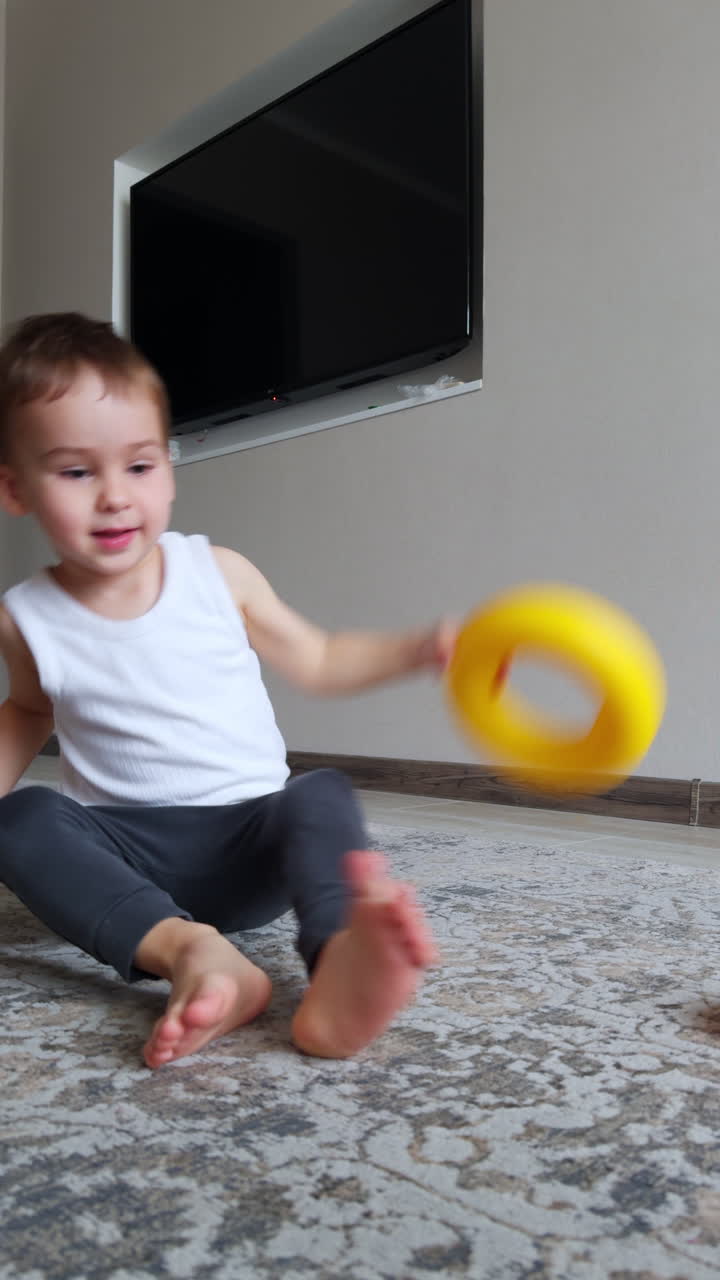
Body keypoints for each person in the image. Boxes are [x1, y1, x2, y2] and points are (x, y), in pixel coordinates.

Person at [0, 313, 452, 1069]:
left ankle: (339, 962)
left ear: (170, 472)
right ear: (16, 489)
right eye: (77, 472)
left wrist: (420, 648)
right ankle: (194, 955)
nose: (114, 496)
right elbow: (26, 711)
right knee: (20, 821)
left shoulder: (219, 574)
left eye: (139, 466)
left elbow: (319, 658)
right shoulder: (25, 618)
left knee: (322, 794)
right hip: (127, 854)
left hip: (251, 844)